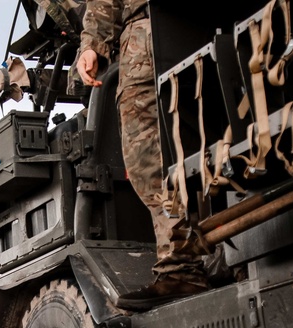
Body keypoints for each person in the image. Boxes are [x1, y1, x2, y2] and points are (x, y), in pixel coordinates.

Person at [78, 0, 207, 310]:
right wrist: (92, 44)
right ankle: (207, 252)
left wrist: (93, 44)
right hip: (208, 25)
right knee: (208, 138)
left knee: (148, 158)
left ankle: (182, 267)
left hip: (148, 35)